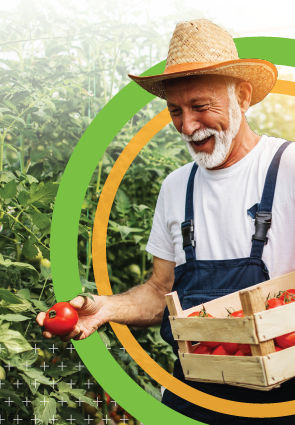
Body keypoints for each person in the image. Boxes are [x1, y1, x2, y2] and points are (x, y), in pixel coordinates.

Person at [37, 19, 295, 424]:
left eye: (200, 107)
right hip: (193, 393)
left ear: (242, 96)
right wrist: (105, 309)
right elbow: (162, 290)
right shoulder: (177, 187)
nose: (187, 127)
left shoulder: (288, 168)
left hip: (282, 396)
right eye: (176, 111)